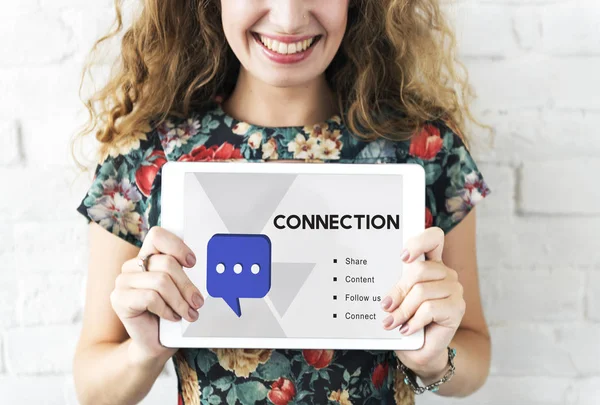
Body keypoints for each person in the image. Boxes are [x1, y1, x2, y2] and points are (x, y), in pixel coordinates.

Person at [71, 0, 492, 404]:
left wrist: (433, 358)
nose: (289, 19)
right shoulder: (147, 156)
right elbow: (93, 389)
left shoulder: (428, 150)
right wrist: (144, 350)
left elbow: (475, 357)